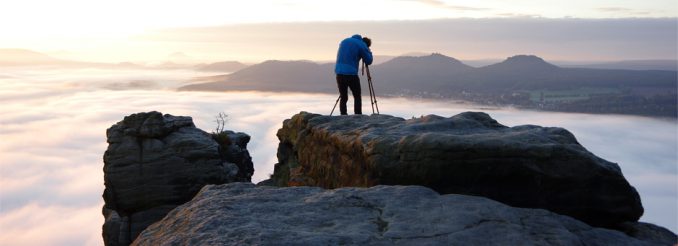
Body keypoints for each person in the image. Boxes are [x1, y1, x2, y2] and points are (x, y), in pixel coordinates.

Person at [334, 34, 373, 115]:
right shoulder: (362, 45)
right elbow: (369, 61)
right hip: (351, 74)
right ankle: (358, 115)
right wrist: (368, 51)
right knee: (357, 96)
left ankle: (343, 115)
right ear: (366, 44)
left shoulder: (344, 41)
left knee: (343, 97)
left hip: (339, 72)